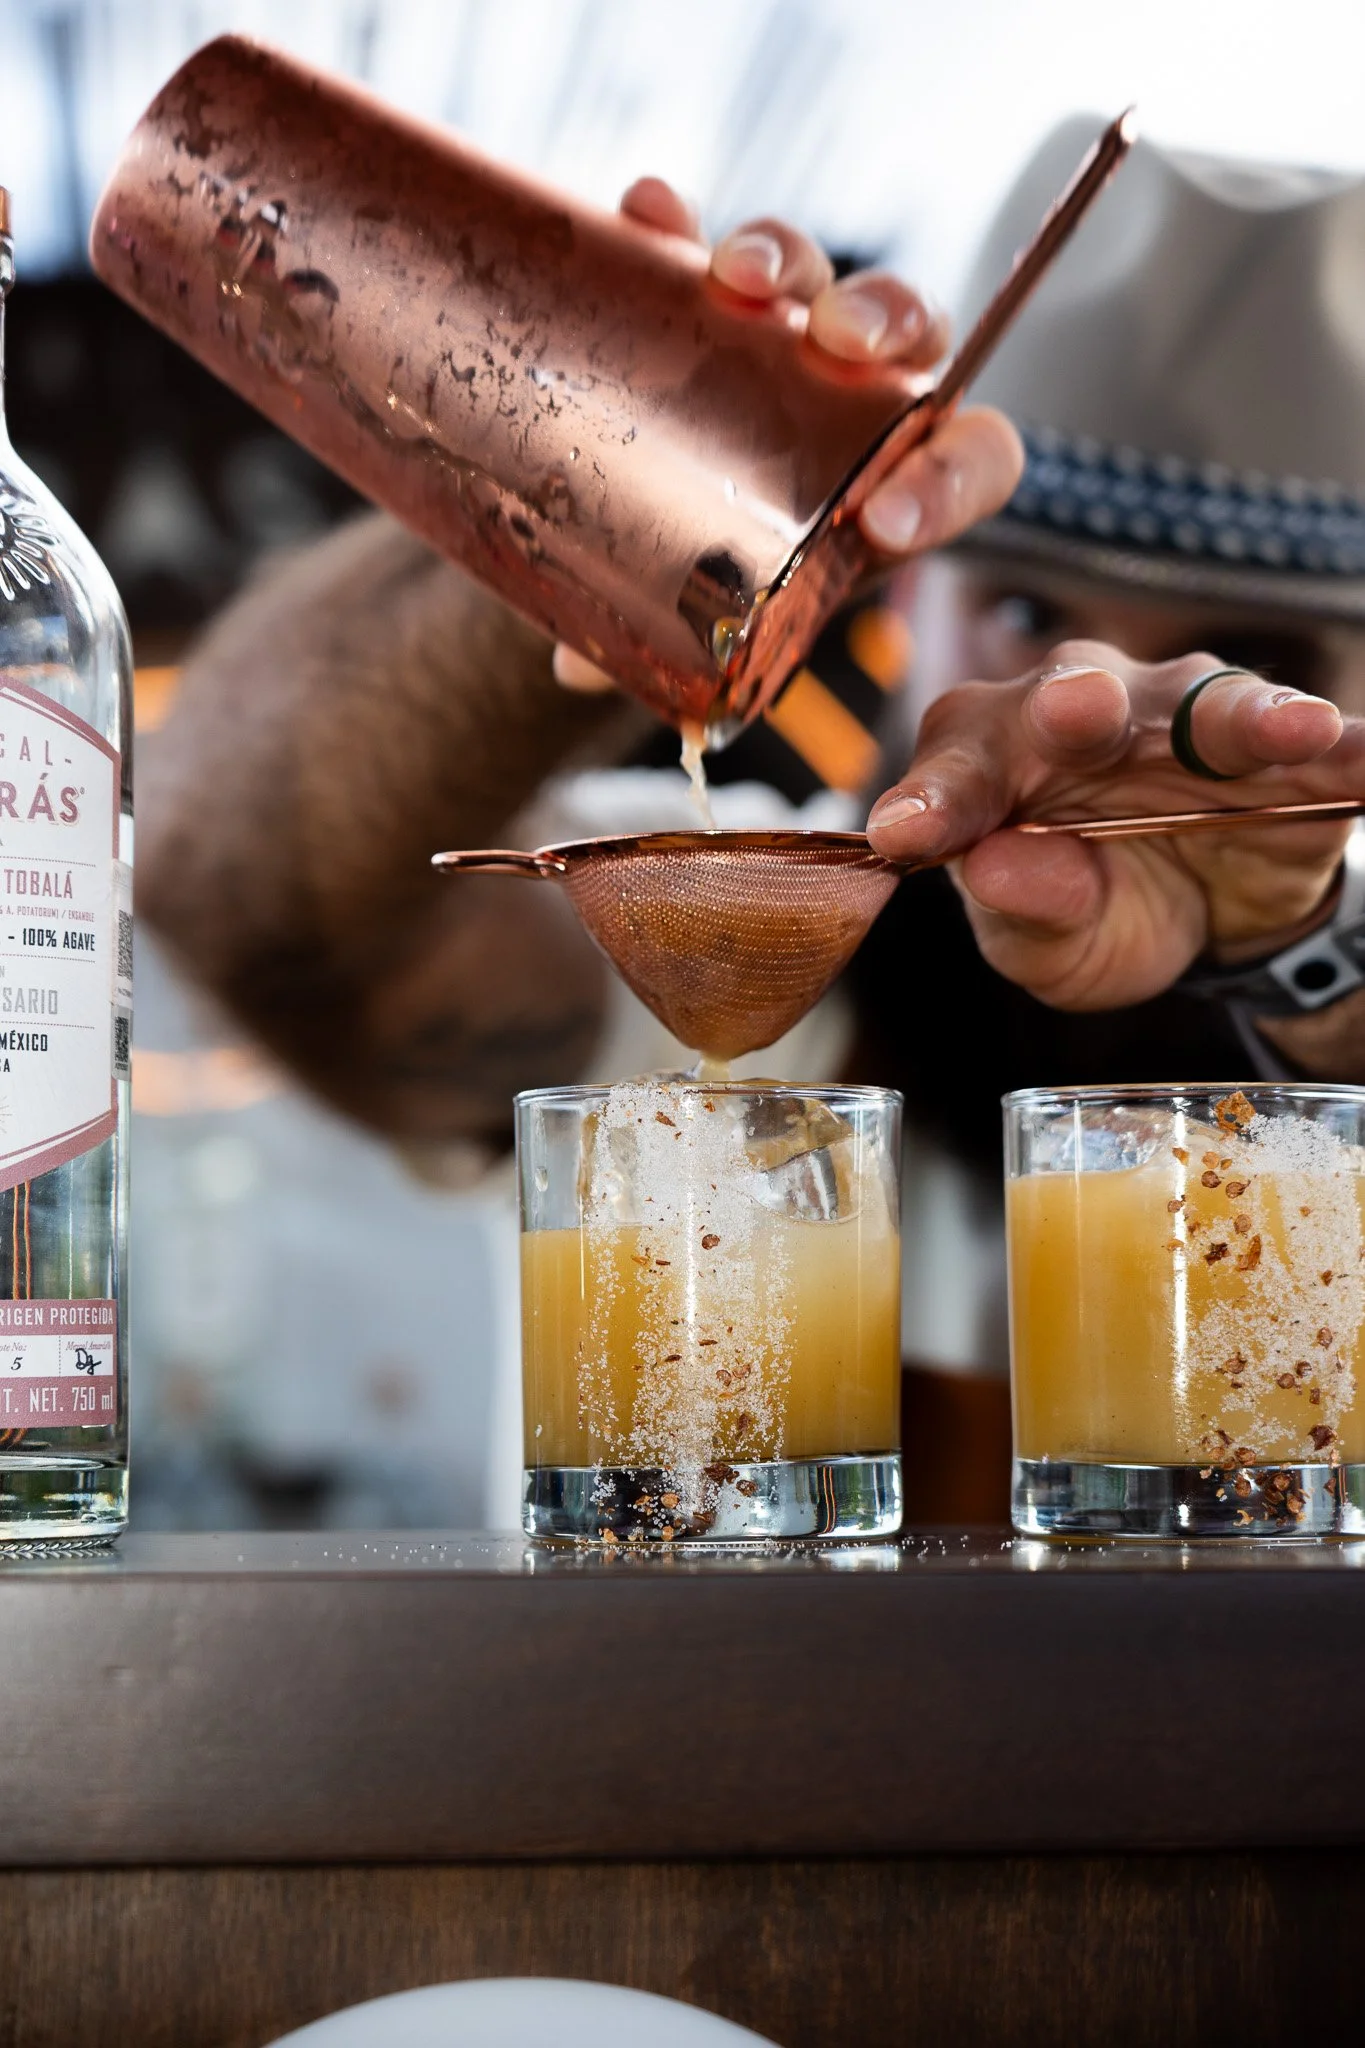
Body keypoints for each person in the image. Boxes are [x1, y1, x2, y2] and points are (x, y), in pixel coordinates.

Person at [137, 131, 1365, 1513]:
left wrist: (1313, 962)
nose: (1106, 710)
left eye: (1247, 664)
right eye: (1025, 614)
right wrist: (581, 523)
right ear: (908, 597)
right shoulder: (732, 973)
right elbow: (233, 882)